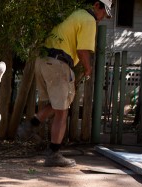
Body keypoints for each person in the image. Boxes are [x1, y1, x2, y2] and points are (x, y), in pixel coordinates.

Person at [18, 0, 112, 167]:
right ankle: (53, 154)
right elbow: (82, 50)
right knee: (62, 111)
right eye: (103, 12)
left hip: (43, 61)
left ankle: (32, 123)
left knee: (58, 105)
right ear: (97, 5)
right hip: (58, 64)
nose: (103, 17)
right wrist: (88, 68)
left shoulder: (76, 14)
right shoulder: (89, 20)